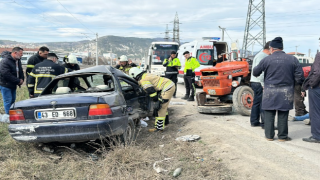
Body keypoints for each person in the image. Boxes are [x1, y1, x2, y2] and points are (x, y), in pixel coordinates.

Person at [253, 37, 303, 142]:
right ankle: (282, 137)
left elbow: (255, 72)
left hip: (269, 91)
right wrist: (296, 85)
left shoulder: (266, 59)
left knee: (269, 113)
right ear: (282, 47)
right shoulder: (292, 59)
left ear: (271, 48)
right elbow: (300, 76)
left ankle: (269, 136)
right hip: (286, 91)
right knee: (283, 113)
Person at [128, 67, 175, 132]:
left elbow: (151, 91)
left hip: (167, 87)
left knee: (161, 107)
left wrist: (157, 101)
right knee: (163, 106)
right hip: (167, 85)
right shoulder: (145, 75)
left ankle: (159, 128)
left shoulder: (143, 80)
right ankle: (165, 122)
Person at [0, 47, 24, 123]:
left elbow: (20, 71)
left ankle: (12, 114)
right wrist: (17, 81)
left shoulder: (18, 60)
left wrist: (22, 79)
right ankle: (8, 116)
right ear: (15, 53)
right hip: (6, 84)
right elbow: (6, 74)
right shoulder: (5, 61)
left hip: (13, 84)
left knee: (13, 100)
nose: (22, 55)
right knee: (8, 100)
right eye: (21, 53)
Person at [250, 41, 271, 129]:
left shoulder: (259, 55)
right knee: (263, 103)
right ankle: (264, 123)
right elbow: (261, 72)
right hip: (259, 82)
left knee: (257, 103)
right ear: (270, 48)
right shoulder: (263, 56)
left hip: (255, 81)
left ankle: (254, 121)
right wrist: (263, 84)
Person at [301, 52, 320, 143]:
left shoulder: (319, 55)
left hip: (318, 87)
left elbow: (317, 72)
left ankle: (317, 136)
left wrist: (311, 84)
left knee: (315, 112)